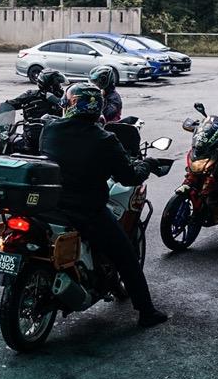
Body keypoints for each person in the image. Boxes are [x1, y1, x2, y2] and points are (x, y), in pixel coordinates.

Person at [40, 83, 169, 328]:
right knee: (126, 256)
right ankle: (146, 312)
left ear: (70, 105)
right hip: (87, 212)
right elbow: (129, 176)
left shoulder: (51, 129)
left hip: (50, 206)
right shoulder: (104, 139)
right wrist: (147, 164)